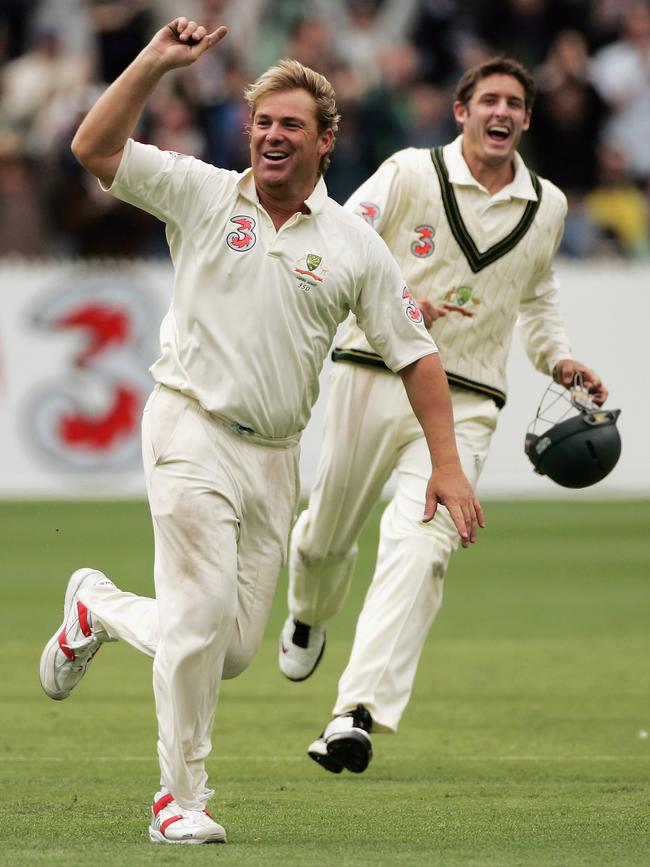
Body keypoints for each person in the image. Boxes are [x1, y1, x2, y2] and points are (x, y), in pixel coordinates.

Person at [38, 16, 483, 846]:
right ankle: (179, 797)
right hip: (189, 425)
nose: (273, 136)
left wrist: (447, 467)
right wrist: (154, 64)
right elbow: (94, 149)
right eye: (263, 123)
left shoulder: (352, 246)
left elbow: (417, 358)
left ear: (326, 141)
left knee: (232, 646)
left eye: (291, 126)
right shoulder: (203, 192)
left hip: (276, 455)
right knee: (202, 622)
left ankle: (97, 607)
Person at [279, 55, 609, 775]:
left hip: (467, 397)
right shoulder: (407, 173)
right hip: (375, 371)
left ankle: (353, 710)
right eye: (488, 99)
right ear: (461, 111)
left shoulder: (545, 205)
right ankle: (307, 612)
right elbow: (337, 235)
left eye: (514, 103)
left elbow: (537, 297)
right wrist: (393, 300)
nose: (501, 112)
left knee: (425, 546)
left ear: (526, 118)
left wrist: (560, 361)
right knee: (323, 537)